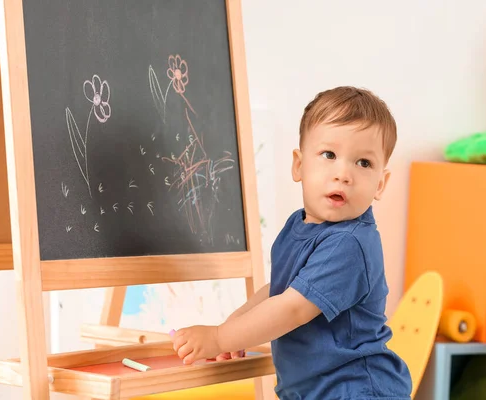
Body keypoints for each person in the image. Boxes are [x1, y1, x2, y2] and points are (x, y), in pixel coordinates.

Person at [171, 86, 412, 399]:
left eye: (363, 163)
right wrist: (234, 328)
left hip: (356, 390)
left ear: (380, 183)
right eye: (329, 155)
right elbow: (277, 291)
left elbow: (292, 309)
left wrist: (219, 337)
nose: (343, 174)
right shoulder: (296, 226)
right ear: (299, 165)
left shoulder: (350, 243)